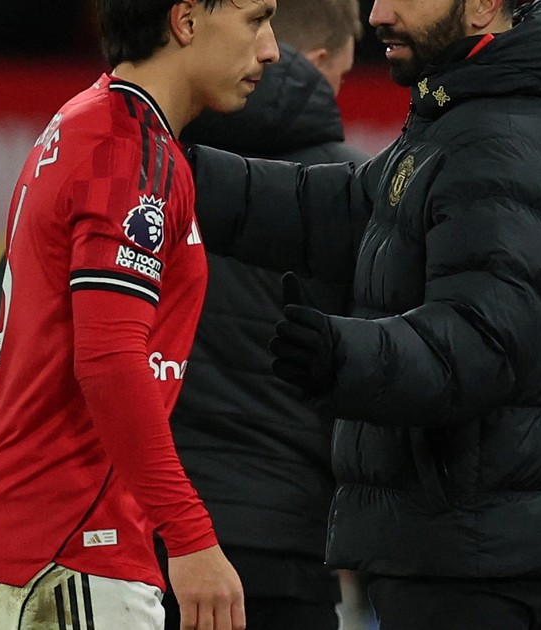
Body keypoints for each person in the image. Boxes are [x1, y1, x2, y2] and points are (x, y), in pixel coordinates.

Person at [185, 0, 541, 627]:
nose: (378, 13)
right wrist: (184, 176)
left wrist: (343, 355)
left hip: (471, 543)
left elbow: (481, 342)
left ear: (482, 5)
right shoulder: (465, 112)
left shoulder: (505, 138)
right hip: (452, 531)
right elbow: (340, 210)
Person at [0, 2, 280, 630]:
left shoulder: (86, 121)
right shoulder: (129, 152)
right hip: (70, 543)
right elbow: (109, 360)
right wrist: (191, 537)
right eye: (256, 19)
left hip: (30, 533)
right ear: (186, 20)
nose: (271, 50)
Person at [158, 1, 365, 629]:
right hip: (282, 541)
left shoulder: (124, 163)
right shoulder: (352, 191)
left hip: (133, 536)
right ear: (318, 63)